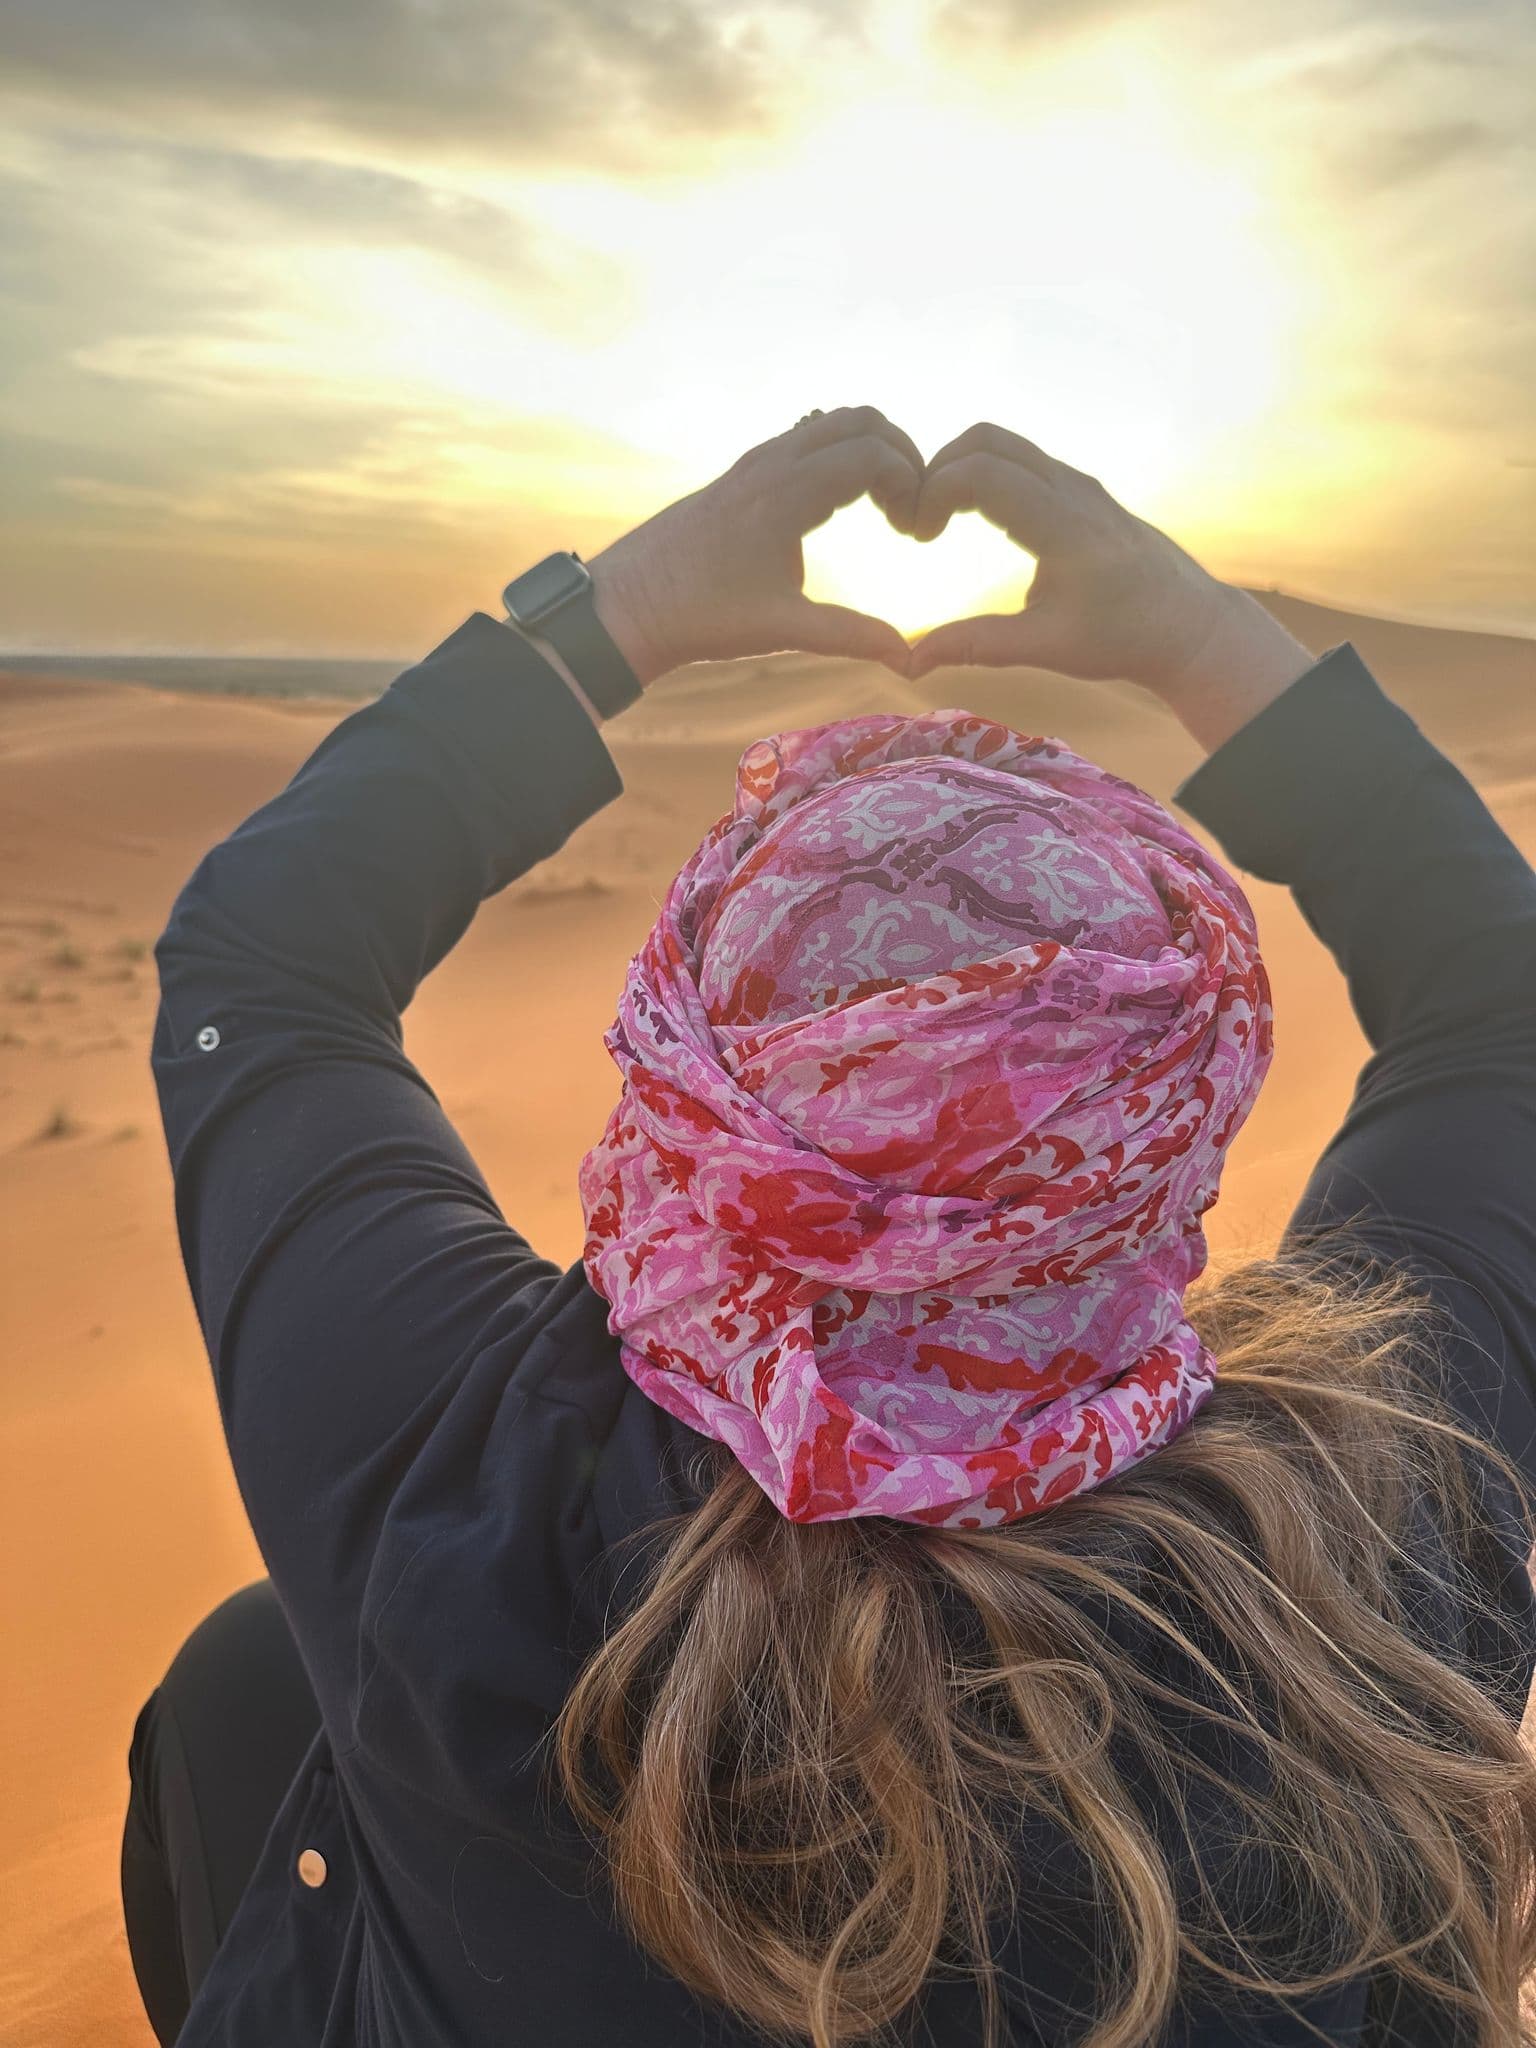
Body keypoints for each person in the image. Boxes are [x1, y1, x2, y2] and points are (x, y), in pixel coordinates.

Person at [121, 407, 1536, 2047]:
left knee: (250, 1687)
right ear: (1171, 1114)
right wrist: (1198, 636)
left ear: (694, 1078)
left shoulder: (471, 1492)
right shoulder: (1385, 1517)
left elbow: (263, 966)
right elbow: (1500, 1003)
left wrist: (619, 615)